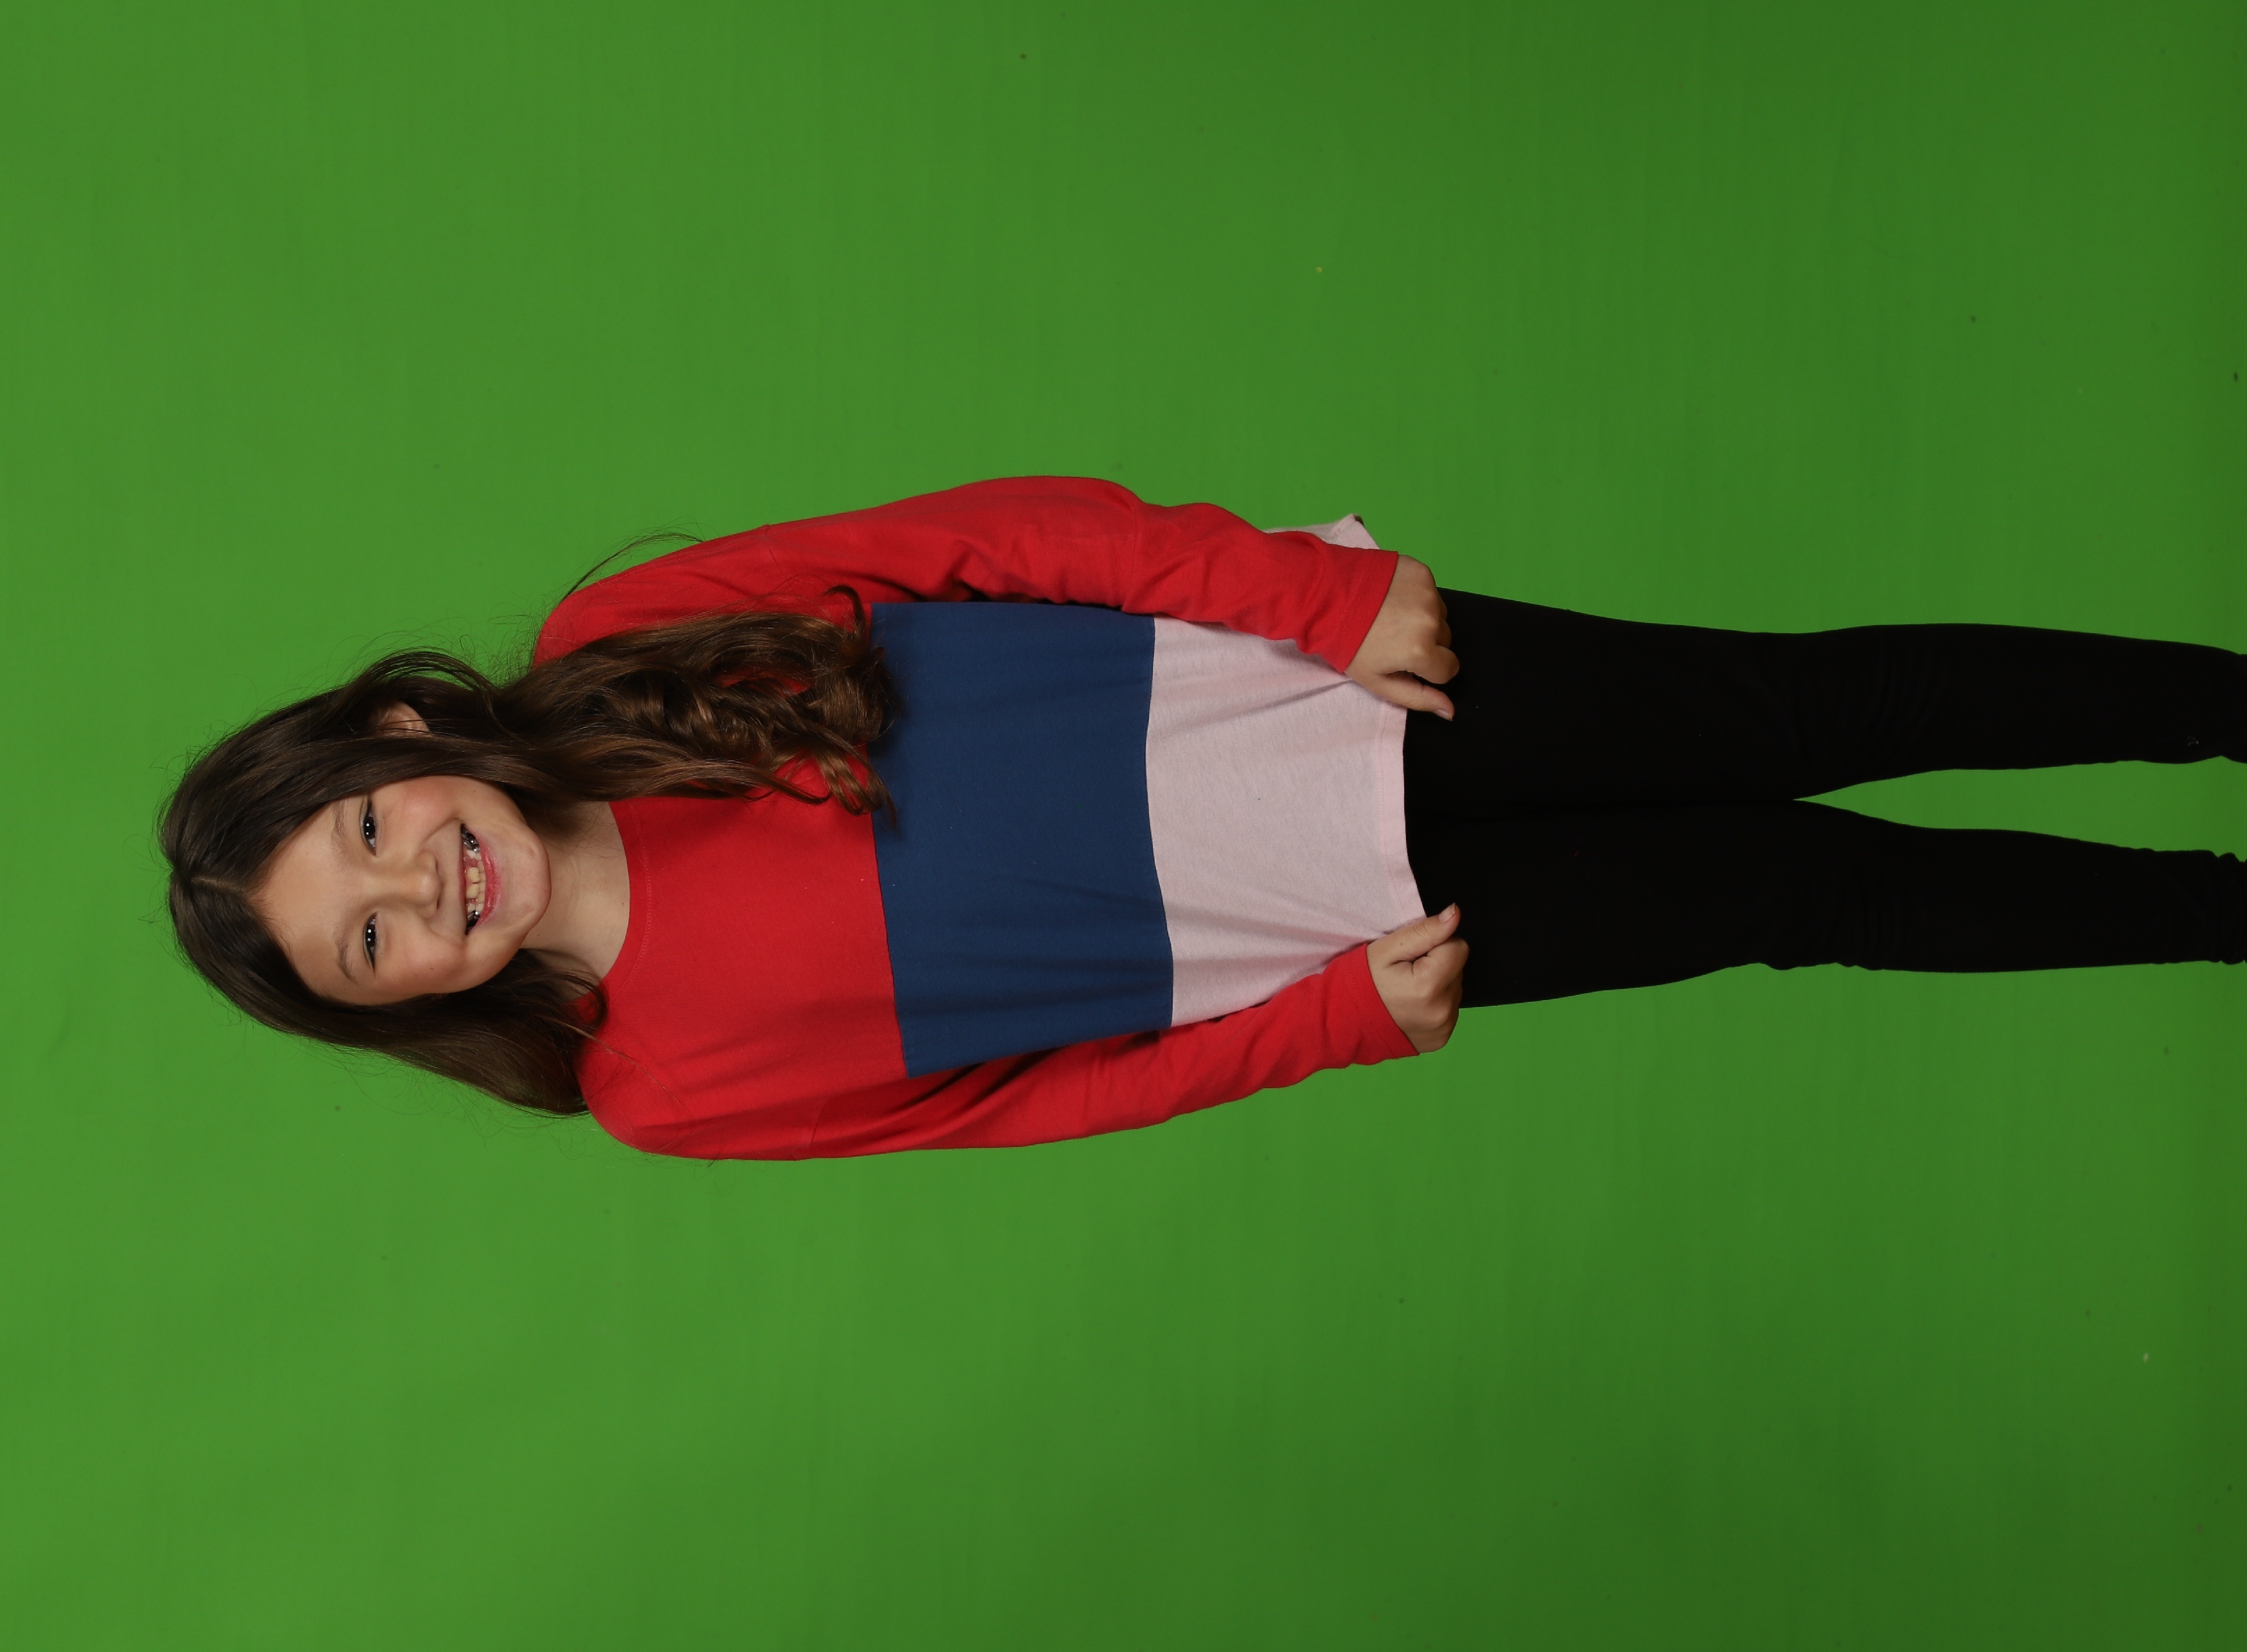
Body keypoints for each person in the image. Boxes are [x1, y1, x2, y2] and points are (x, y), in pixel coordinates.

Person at [162, 477, 2245, 1159]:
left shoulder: (618, 643)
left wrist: (1312, 600)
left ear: (401, 735)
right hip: (1339, 934)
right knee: (1808, 891)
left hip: (1326, 684)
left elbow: (996, 536)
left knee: (1805, 710)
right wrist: (1329, 1024)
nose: (417, 883)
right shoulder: (664, 1087)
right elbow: (1033, 1101)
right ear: (400, 1006)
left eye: (370, 827)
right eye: (371, 938)